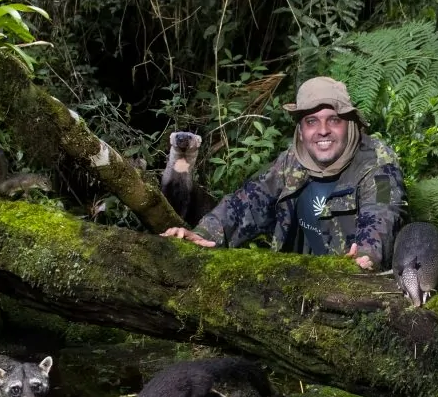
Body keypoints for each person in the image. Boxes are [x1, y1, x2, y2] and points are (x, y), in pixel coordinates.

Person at [161, 76, 406, 270]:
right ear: (300, 129)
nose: (322, 131)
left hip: (353, 291)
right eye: (311, 121)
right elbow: (244, 204)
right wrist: (202, 234)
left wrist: (366, 254)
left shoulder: (378, 164)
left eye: (333, 120)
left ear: (350, 123)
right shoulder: (292, 161)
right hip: (295, 286)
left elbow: (383, 210)